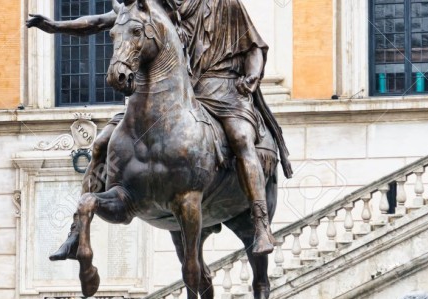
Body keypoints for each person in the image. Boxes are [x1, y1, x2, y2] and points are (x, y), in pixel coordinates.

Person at [27, 0, 292, 256]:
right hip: (171, 90)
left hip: (219, 87)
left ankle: (260, 222)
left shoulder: (225, 3)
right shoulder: (156, 7)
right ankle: (76, 231)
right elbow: (99, 21)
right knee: (101, 142)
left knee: (241, 137)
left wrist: (252, 77)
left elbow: (255, 47)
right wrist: (57, 27)